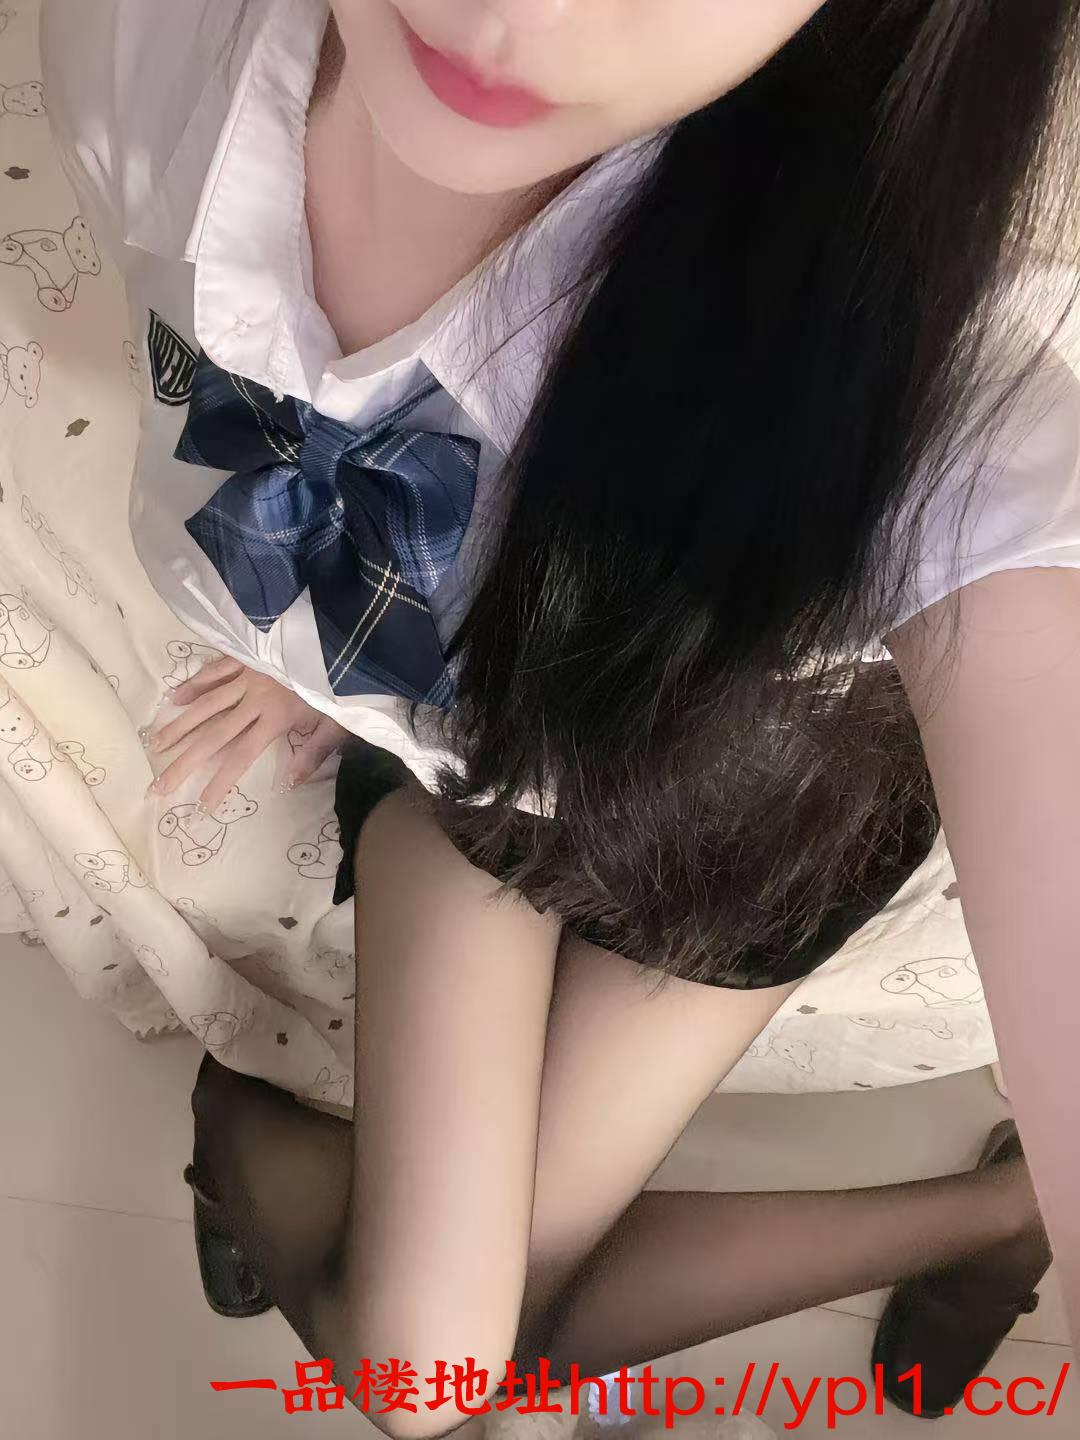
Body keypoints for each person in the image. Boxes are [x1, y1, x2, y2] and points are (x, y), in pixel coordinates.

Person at [39, 0, 1080, 1426]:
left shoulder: (938, 378)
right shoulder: (156, 52)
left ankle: (252, 1148)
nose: (509, 13)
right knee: (433, 1383)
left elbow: (1026, 598)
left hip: (751, 836)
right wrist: (311, 654)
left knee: (436, 1377)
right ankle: (995, 1218)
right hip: (477, 806)